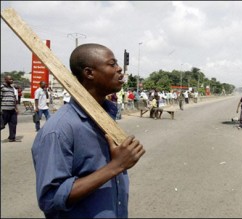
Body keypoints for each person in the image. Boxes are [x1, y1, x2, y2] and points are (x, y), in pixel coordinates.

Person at [31, 43, 145, 218]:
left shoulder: (106, 118)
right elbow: (50, 199)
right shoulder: (59, 130)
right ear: (89, 73)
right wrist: (116, 165)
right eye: (112, 64)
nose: (119, 68)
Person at [0, 75, 18, 142]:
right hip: (5, 109)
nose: (12, 80)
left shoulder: (12, 88)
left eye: (12, 79)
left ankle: (12, 137)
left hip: (12, 110)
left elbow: (13, 99)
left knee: (13, 123)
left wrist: (16, 108)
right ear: (5, 80)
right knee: (2, 124)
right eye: (10, 79)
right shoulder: (2, 87)